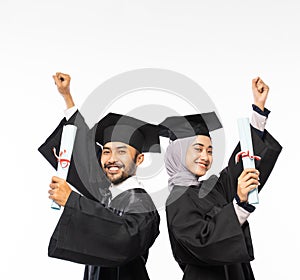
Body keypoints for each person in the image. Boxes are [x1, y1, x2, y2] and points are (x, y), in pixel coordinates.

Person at [38, 72, 160, 280]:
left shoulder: (142, 203)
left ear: (139, 159)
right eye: (106, 151)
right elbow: (85, 154)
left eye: (122, 151)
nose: (112, 158)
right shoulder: (106, 193)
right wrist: (67, 97)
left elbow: (125, 239)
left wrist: (73, 201)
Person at [159, 77, 282, 280]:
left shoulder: (210, 189)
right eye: (198, 149)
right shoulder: (177, 199)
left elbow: (240, 168)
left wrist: (258, 111)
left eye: (210, 150)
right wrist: (239, 205)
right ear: (178, 152)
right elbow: (202, 244)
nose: (205, 157)